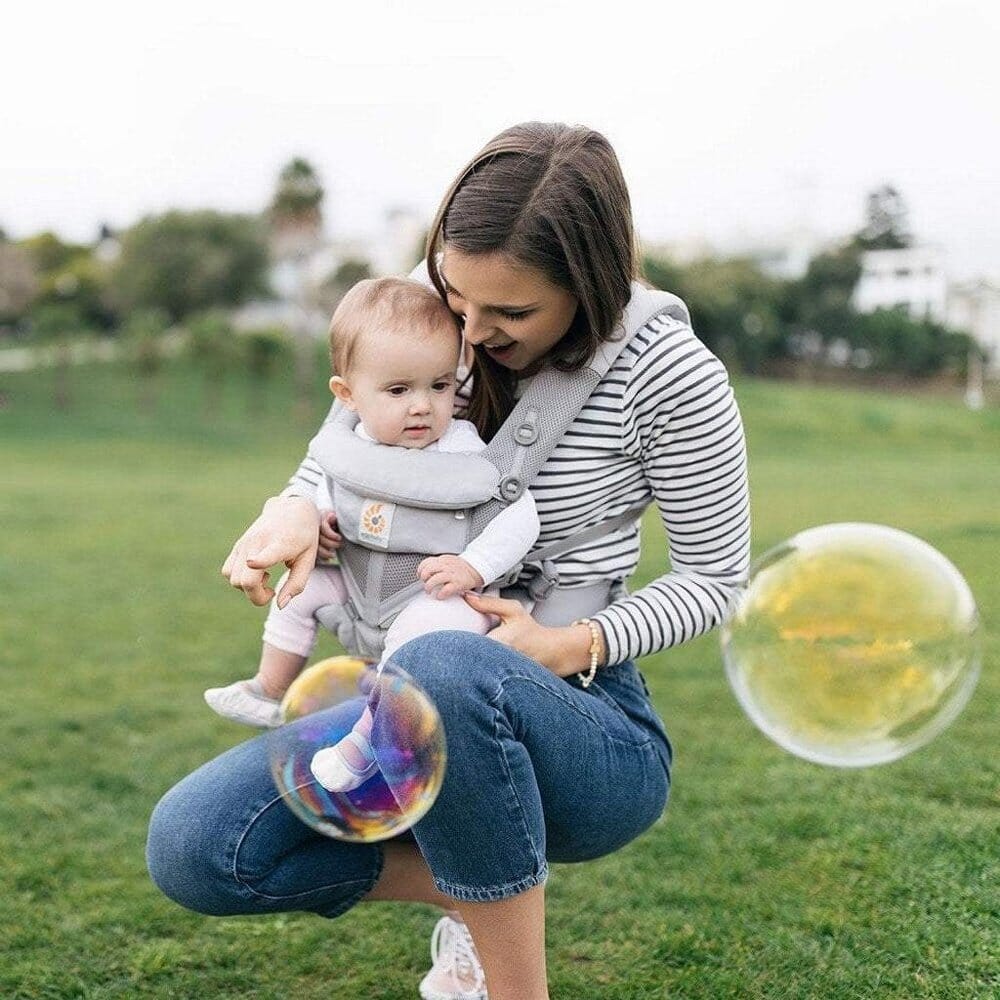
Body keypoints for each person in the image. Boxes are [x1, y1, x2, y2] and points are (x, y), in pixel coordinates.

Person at [147, 122, 751, 1000]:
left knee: (444, 661)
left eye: (509, 314)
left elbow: (714, 578)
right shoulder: (433, 316)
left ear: (590, 284)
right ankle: (490, 887)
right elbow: (345, 450)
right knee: (198, 847)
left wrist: (567, 643)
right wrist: (290, 508)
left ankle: (511, 981)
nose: (469, 334)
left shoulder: (671, 375)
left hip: (585, 722)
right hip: (398, 696)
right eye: (457, 296)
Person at [204, 276, 539, 792]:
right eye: (399, 390)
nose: (423, 406)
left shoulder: (464, 452)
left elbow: (520, 517)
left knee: (421, 641)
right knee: (301, 589)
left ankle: (363, 742)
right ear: (348, 395)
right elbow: (325, 490)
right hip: (359, 587)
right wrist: (318, 521)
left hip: (433, 593)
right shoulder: (348, 448)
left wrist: (474, 566)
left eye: (440, 386)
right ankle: (270, 689)